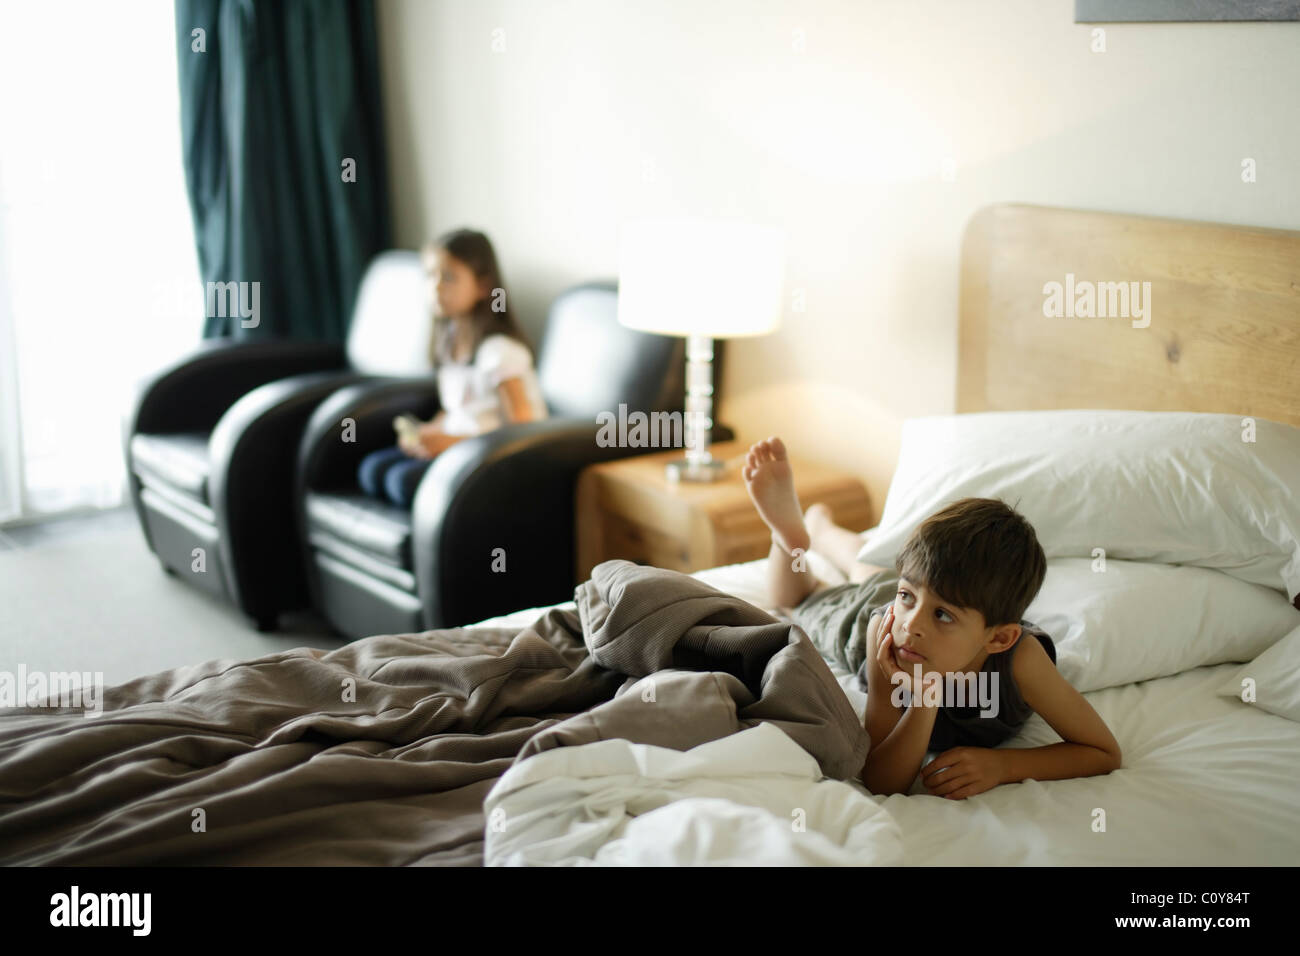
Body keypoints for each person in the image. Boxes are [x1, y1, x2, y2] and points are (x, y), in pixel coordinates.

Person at [740, 435, 1122, 799]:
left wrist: (1004, 765)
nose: (913, 625)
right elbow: (881, 780)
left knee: (872, 575)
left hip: (909, 588)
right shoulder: (887, 632)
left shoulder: (1019, 660)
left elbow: (1103, 751)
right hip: (871, 607)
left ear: (999, 638)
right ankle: (795, 540)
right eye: (908, 597)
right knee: (800, 597)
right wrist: (924, 702)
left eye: (943, 615)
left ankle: (826, 531)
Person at [357, 229, 548, 507]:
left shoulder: (499, 351)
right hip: (454, 444)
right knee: (371, 469)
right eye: (430, 276)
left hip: (482, 456)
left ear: (483, 286)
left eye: (448, 277)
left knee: (400, 482)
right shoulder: (448, 343)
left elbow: (521, 428)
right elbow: (456, 408)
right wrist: (428, 432)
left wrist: (452, 442)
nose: (435, 287)